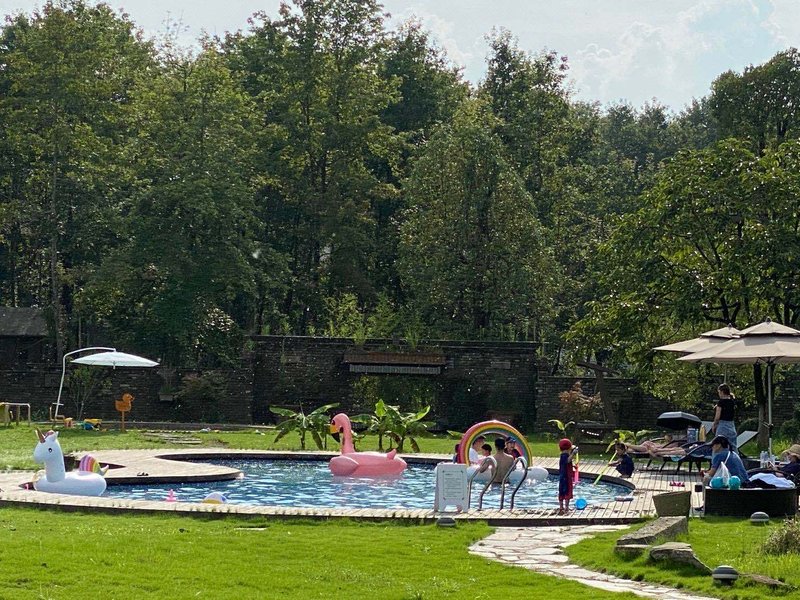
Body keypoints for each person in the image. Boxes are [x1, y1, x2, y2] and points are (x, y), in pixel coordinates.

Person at [712, 383, 738, 452]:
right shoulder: (732, 402)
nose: (719, 394)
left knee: (718, 446)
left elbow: (717, 417)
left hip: (722, 426)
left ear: (722, 392)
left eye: (719, 392)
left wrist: (714, 425)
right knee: (733, 447)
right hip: (731, 425)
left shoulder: (721, 402)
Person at [558, 438, 577, 514]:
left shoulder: (563, 455)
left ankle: (561, 507)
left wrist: (573, 466)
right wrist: (573, 453)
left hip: (562, 476)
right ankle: (566, 507)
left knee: (561, 491)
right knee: (567, 491)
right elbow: (567, 461)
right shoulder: (564, 455)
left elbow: (567, 464)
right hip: (566, 477)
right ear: (568, 448)